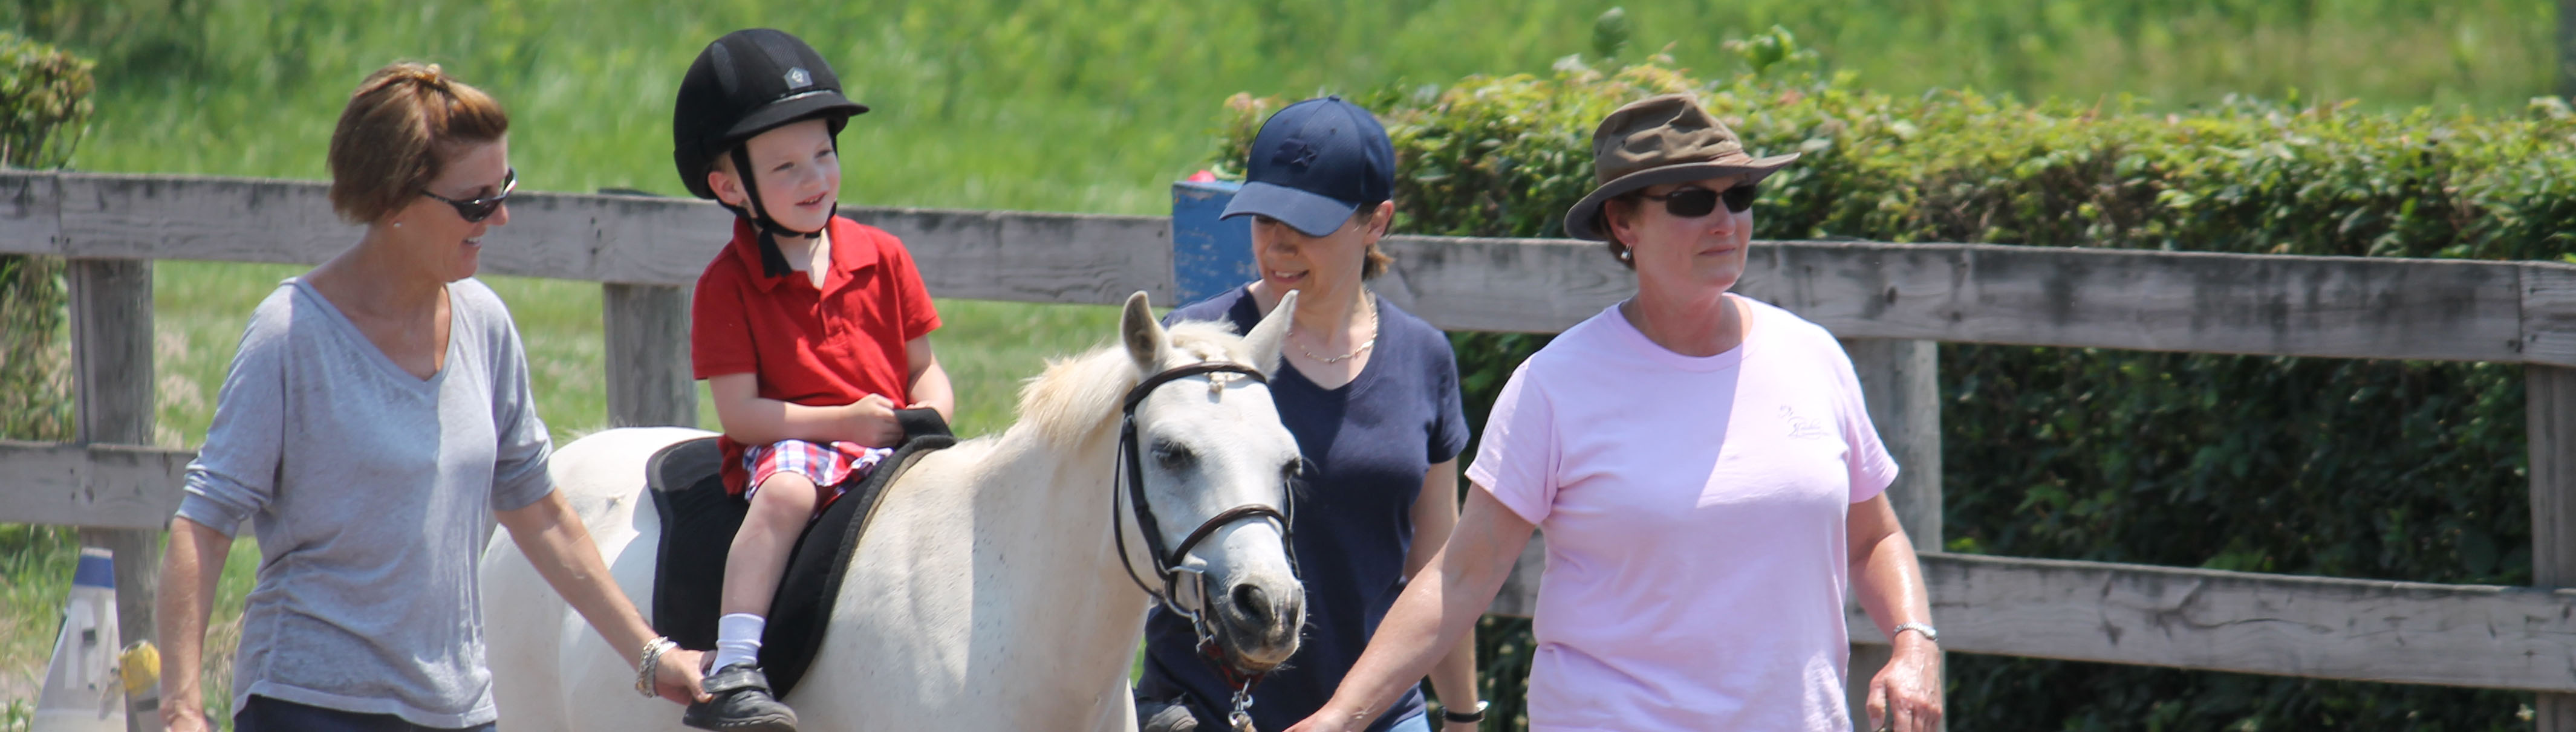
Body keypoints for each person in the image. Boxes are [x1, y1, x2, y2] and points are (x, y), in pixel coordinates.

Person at [1285, 93, 1945, 732]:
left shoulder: (1812, 354)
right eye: (1692, 200)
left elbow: (1874, 536)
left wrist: (1914, 641)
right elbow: (1462, 572)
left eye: (1738, 195)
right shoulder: (1555, 385)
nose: (1726, 220)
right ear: (1623, 225)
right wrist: (1341, 718)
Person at [156, 62, 709, 732]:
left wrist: (650, 654)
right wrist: (182, 708)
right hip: (311, 702)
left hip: (457, 708)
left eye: (503, 188)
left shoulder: (485, 325)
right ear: (393, 200)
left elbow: (541, 514)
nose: (499, 216)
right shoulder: (291, 335)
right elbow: (205, 525)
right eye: (474, 201)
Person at [1137, 96, 1483, 732]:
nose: (1279, 243)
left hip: (1380, 712)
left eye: (1309, 223)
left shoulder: (1423, 356)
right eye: (1264, 216)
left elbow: (1440, 566)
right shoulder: (1191, 343)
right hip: (1204, 711)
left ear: (1377, 221)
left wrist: (1462, 713)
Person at [672, 27, 955, 732]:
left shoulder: (883, 255)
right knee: (788, 495)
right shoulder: (726, 285)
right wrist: (843, 423)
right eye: (787, 166)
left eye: (824, 155)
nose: (816, 179)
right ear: (729, 185)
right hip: (795, 442)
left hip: (888, 434)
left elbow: (926, 368)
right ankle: (736, 662)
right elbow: (741, 415)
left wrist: (930, 416)